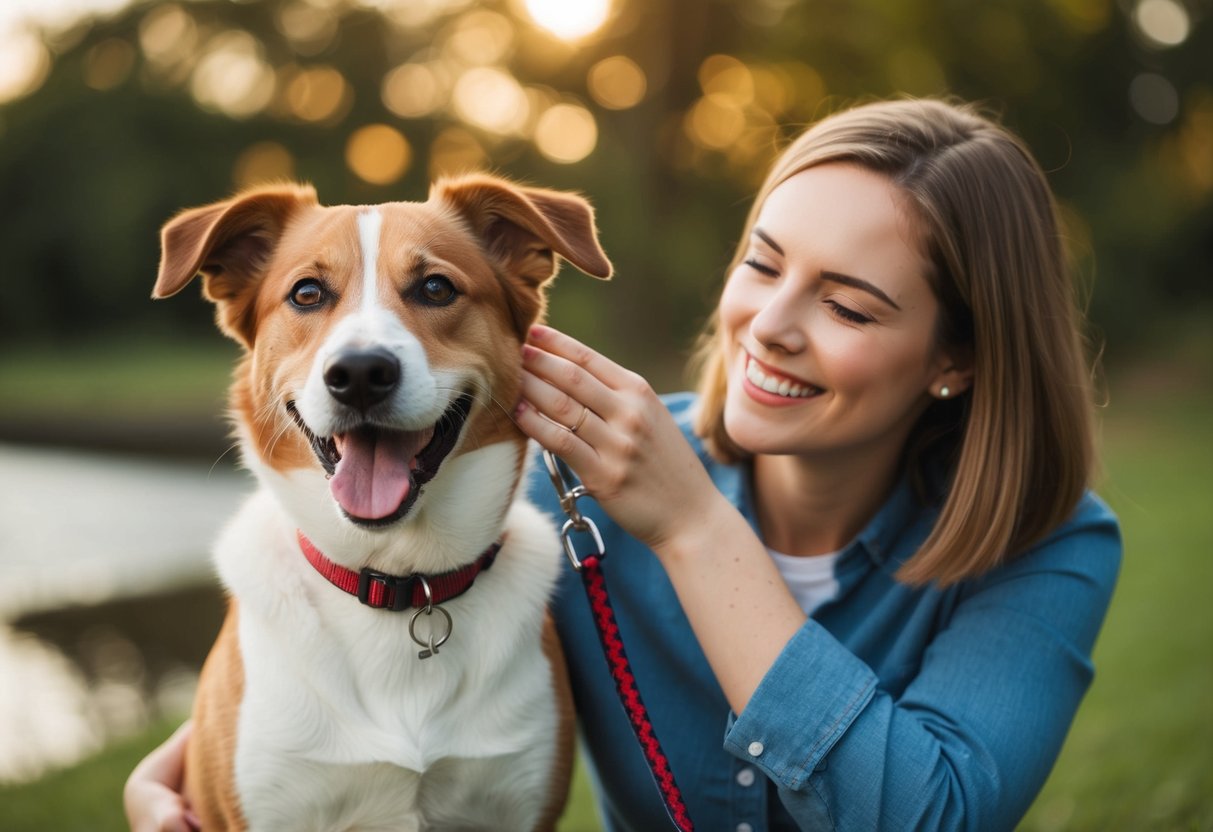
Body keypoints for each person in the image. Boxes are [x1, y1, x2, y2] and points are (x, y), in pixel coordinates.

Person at [126, 98, 1121, 831]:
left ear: (957, 357)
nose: (769, 326)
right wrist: (189, 762)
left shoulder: (1050, 545)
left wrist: (690, 527)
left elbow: (929, 818)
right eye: (762, 262)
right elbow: (366, 614)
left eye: (847, 305)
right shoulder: (547, 484)